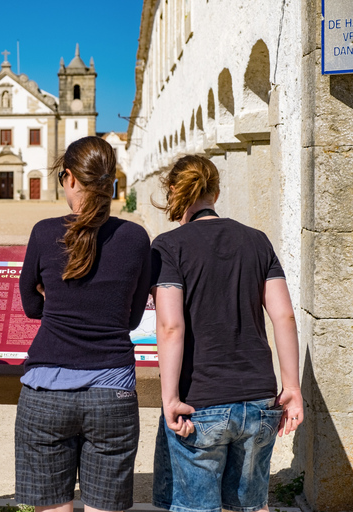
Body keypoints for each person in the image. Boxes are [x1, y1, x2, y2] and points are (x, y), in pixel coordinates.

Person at [150, 155, 303, 512]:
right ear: (216, 192)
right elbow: (284, 317)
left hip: (200, 399)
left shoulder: (169, 246)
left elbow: (171, 326)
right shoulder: (257, 241)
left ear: (174, 191)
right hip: (259, 399)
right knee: (251, 506)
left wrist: (170, 398)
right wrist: (292, 388)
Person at [15, 136, 151, 512]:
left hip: (47, 390)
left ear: (71, 178)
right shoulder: (136, 237)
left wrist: (57, 303)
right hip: (113, 390)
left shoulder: (44, 232)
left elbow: (29, 305)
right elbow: (134, 316)